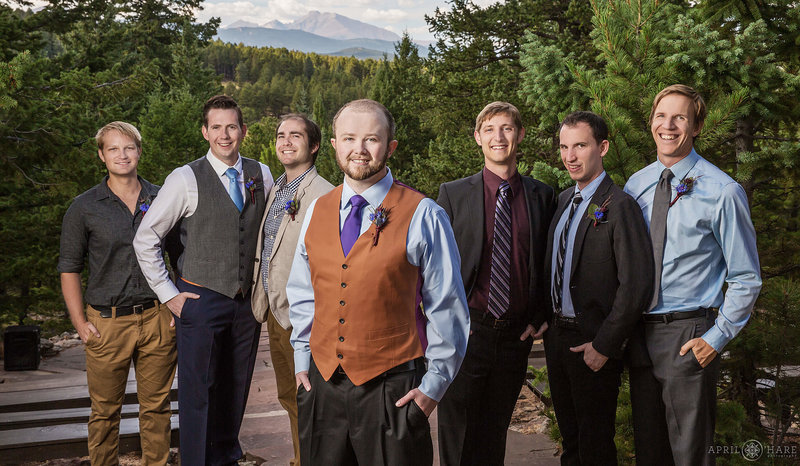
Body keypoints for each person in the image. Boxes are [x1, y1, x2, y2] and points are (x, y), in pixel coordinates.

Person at [287, 99, 470, 466]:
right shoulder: (316, 210)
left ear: (390, 147)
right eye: (349, 138)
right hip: (321, 387)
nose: (359, 149)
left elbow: (447, 307)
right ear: (334, 144)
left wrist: (432, 389)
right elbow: (304, 292)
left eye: (371, 139)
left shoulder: (424, 214)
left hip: (393, 390)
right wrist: (302, 360)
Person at [624, 84, 762, 465]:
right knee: (650, 454)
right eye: (661, 116)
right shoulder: (636, 185)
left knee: (690, 455)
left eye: (680, 117)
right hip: (639, 335)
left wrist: (716, 338)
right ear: (651, 122)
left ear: (697, 126)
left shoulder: (723, 191)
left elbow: (746, 276)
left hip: (688, 335)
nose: (668, 126)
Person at [134, 95, 273, 465]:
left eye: (231, 127)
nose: (224, 135)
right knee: (198, 391)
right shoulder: (184, 178)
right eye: (216, 127)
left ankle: (227, 457)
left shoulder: (262, 173)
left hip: (245, 303)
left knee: (236, 386)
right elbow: (146, 239)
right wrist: (169, 295)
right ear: (205, 132)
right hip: (199, 299)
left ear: (243, 130)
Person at [435, 101, 556, 465]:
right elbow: (435, 267)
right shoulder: (453, 195)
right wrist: (448, 324)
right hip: (467, 333)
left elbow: (547, 262)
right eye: (489, 129)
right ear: (478, 138)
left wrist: (539, 315)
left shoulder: (543, 196)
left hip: (514, 338)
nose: (498, 137)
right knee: (457, 435)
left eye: (506, 128)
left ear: (519, 136)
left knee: (493, 433)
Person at [58, 121, 177, 465]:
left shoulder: (161, 197)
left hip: (157, 319)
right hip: (106, 324)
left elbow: (180, 255)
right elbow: (69, 268)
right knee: (105, 412)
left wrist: (174, 304)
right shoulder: (84, 207)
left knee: (156, 408)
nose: (122, 155)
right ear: (102, 156)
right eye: (113, 149)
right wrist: (80, 323)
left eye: (129, 148)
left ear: (139, 151)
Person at [544, 111, 654, 465]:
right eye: (564, 147)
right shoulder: (562, 201)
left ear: (602, 147)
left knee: (595, 447)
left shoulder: (620, 207)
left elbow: (636, 285)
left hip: (593, 342)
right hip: (558, 341)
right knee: (571, 442)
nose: (570, 156)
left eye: (580, 145)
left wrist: (604, 345)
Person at [251, 113, 333, 466]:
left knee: (310, 398)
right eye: (281, 134)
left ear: (313, 146)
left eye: (295, 135)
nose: (285, 141)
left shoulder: (324, 195)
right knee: (289, 395)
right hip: (275, 310)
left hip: (307, 316)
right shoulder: (276, 190)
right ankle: (301, 458)